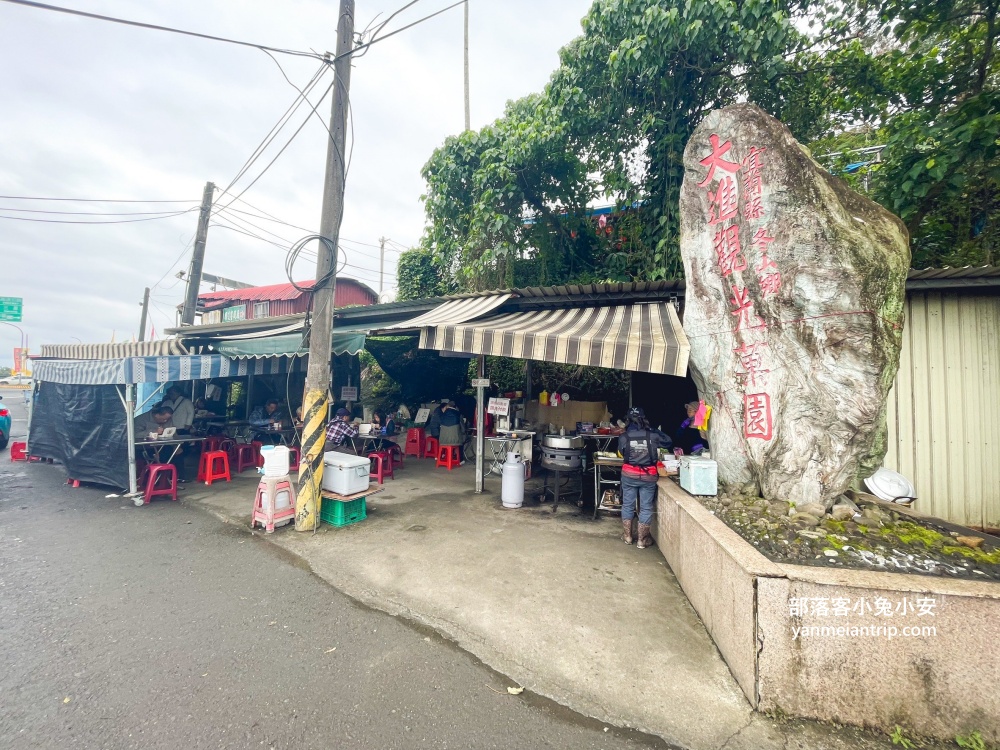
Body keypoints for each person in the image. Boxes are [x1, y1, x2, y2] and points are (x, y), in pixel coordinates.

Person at [618, 406, 672, 549]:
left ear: (627, 420)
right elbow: (668, 441)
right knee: (646, 507)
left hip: (629, 474)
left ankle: (628, 537)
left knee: (628, 505)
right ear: (644, 418)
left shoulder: (624, 436)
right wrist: (653, 429)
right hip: (648, 476)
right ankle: (642, 540)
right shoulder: (652, 435)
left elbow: (621, 452)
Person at [438, 400, 465, 465]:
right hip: (455, 440)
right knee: (461, 441)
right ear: (455, 407)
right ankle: (460, 460)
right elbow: (463, 429)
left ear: (448, 406)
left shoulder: (442, 414)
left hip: (443, 440)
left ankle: (443, 456)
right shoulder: (458, 414)